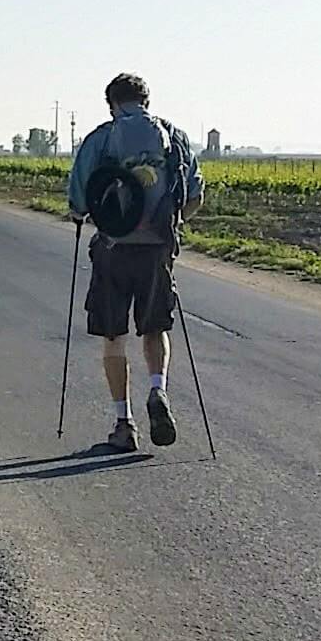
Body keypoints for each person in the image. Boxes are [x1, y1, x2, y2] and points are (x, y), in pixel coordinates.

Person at [67, 74, 204, 453]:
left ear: (111, 102)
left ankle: (123, 423)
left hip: (113, 249)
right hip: (157, 249)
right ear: (146, 100)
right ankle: (158, 390)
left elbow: (78, 200)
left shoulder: (100, 138)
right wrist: (167, 225)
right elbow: (194, 196)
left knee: (114, 336)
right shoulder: (174, 137)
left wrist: (95, 214)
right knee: (155, 327)